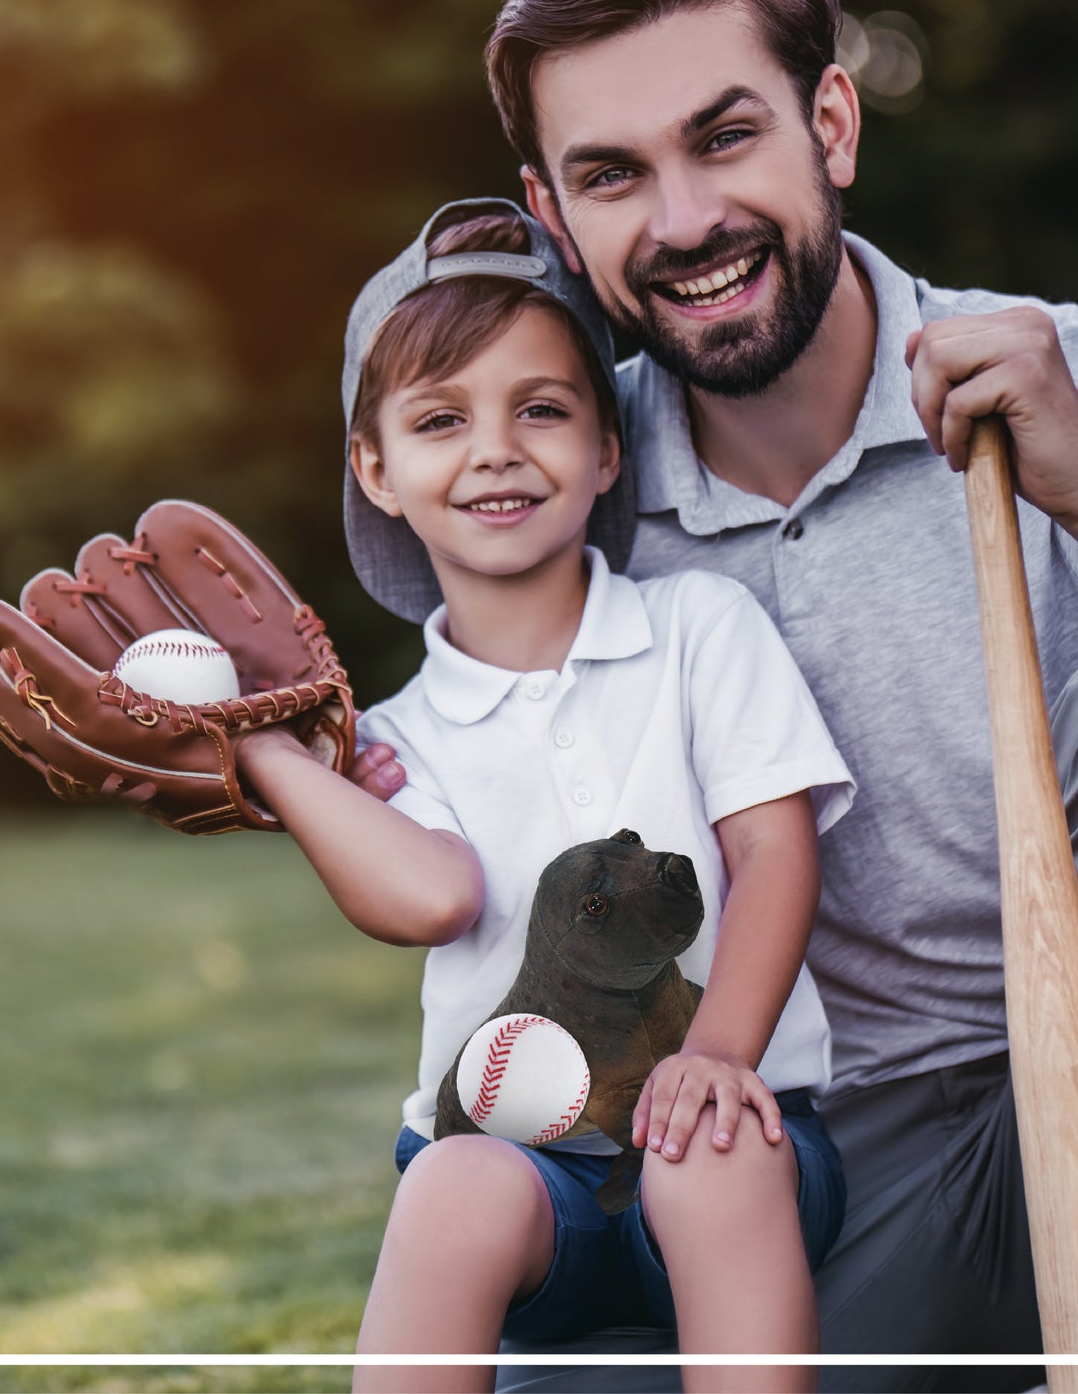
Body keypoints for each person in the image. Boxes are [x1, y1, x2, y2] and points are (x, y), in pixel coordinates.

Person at [353, 0, 1078, 1393]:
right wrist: (254, 758)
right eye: (614, 176)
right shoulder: (561, 477)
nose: (681, 222)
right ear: (553, 216)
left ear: (831, 121)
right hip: (800, 1161)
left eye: (724, 137)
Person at [240, 198, 855, 1394]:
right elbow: (429, 895)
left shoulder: (696, 629)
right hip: (528, 1178)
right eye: (436, 419)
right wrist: (270, 754)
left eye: (541, 408)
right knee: (452, 1182)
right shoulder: (392, 739)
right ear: (374, 467)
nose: (494, 449)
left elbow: (775, 854)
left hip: (738, 1127)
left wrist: (715, 1053)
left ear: (606, 446)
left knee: (709, 1147)